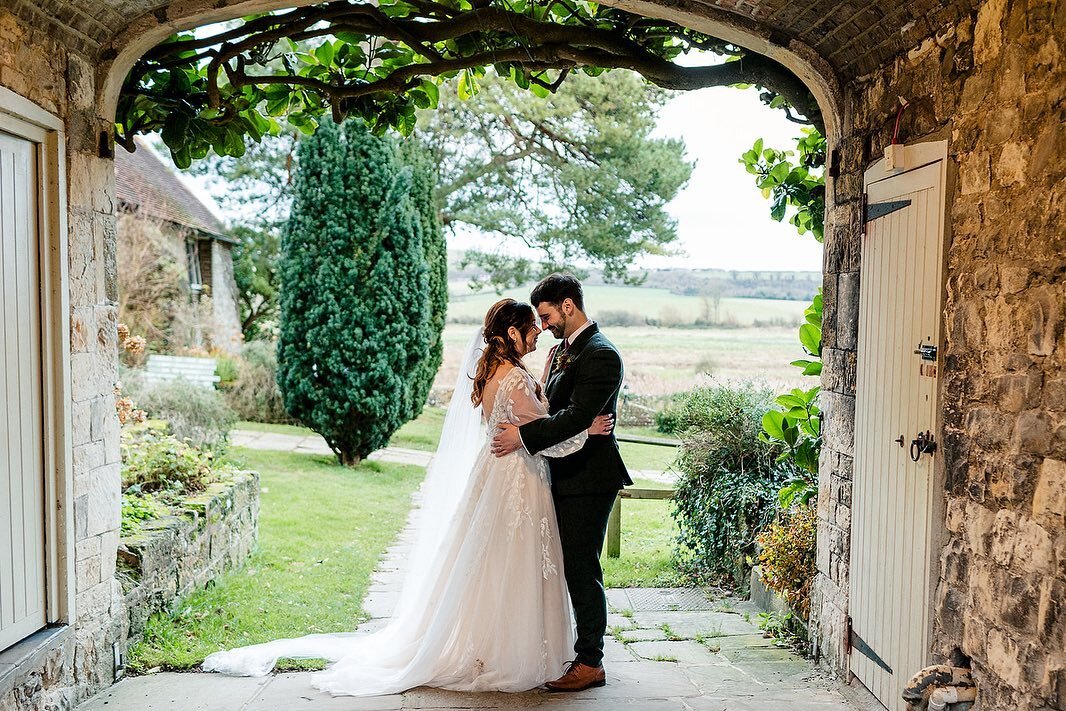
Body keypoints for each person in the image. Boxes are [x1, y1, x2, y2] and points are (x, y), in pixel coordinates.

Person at [202, 298, 613, 696]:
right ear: (512, 332)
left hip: (498, 476)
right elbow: (544, 434)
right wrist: (587, 431)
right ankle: (511, 650)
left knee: (491, 563)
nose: (539, 332)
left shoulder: (491, 372)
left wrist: (536, 428)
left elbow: (525, 427)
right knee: (514, 563)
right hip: (518, 479)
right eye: (532, 327)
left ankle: (490, 644)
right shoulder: (517, 377)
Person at [492, 273, 632, 692]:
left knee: (581, 567)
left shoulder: (602, 355)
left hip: (590, 478)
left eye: (548, 314)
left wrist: (523, 436)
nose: (545, 323)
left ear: (568, 306)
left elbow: (573, 416)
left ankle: (591, 661)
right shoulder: (559, 353)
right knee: (566, 566)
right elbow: (558, 410)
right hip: (559, 472)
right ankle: (570, 650)